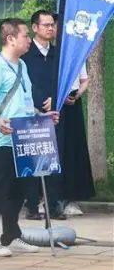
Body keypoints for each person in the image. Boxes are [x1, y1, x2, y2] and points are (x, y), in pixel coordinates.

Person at [0, 18, 53, 257]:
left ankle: (11, 235)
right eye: (25, 35)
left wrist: (42, 115)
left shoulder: (22, 66)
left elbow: (24, 103)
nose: (29, 40)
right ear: (10, 39)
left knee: (18, 190)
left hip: (24, 140)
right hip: (3, 140)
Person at [20, 10, 66, 220]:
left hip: (55, 113)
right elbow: (26, 84)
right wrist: (40, 102)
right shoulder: (25, 55)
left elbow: (66, 80)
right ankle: (31, 205)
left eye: (52, 25)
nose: (50, 28)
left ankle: (52, 205)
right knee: (33, 159)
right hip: (32, 113)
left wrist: (56, 99)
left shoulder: (59, 54)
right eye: (46, 25)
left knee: (55, 158)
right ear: (35, 27)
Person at [52, 15, 94, 215]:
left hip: (72, 104)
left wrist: (76, 95)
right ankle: (50, 198)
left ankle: (71, 198)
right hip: (54, 105)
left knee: (73, 149)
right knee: (54, 150)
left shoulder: (76, 53)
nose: (55, 29)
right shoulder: (50, 54)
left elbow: (85, 80)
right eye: (53, 26)